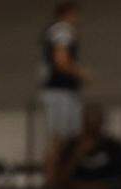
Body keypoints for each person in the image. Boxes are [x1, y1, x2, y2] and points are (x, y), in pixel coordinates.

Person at [40, 1, 87, 143]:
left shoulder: (57, 31)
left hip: (61, 90)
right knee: (60, 137)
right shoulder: (62, 31)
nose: (77, 19)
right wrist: (81, 73)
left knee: (64, 136)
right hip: (60, 90)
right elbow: (61, 61)